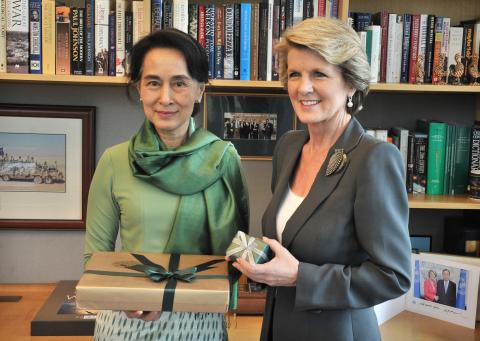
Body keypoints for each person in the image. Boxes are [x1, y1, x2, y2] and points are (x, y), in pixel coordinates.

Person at [231, 17, 411, 340]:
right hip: (277, 327)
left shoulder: (374, 158)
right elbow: (293, 236)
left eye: (319, 74)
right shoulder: (289, 146)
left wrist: (301, 276)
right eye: (295, 74)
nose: (303, 88)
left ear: (351, 83)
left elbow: (393, 276)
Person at [84, 28, 249, 341]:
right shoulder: (114, 161)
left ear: (200, 89)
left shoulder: (223, 159)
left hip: (199, 318)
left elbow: (235, 249)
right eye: (153, 83)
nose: (165, 98)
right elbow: (95, 259)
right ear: (139, 89)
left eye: (179, 83)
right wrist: (128, 298)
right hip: (127, 321)